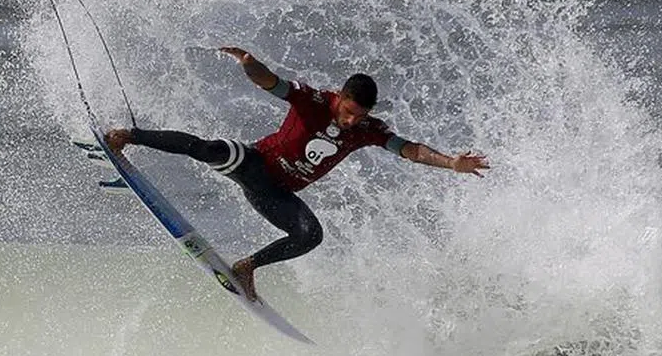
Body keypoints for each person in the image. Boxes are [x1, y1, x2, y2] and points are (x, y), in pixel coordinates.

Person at [106, 46, 489, 300]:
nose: (352, 119)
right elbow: (270, 82)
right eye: (349, 110)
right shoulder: (316, 100)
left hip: (276, 194)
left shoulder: (368, 130)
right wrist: (247, 62)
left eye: (360, 115)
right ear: (340, 96)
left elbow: (408, 149)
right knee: (206, 148)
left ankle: (246, 267)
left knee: (311, 235)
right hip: (255, 164)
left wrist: (451, 163)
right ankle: (127, 136)